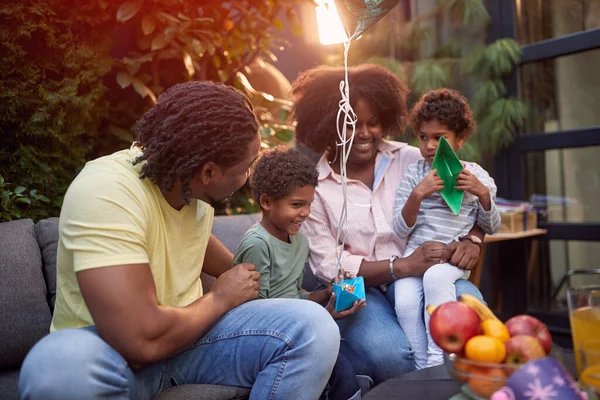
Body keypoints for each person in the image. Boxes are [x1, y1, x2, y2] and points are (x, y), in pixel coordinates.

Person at [18, 82, 340, 400]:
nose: (248, 178)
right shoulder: (107, 192)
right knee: (57, 368)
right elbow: (139, 338)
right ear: (208, 172)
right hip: (109, 353)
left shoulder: (189, 190)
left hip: (192, 341)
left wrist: (280, 287)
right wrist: (220, 299)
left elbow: (191, 245)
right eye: (245, 169)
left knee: (312, 327)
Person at [291, 64, 486, 384]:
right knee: (391, 356)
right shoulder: (316, 186)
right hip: (359, 288)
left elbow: (471, 199)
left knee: (474, 314)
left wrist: (474, 239)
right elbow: (330, 266)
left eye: (373, 122)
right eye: (350, 125)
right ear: (326, 126)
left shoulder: (413, 158)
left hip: (427, 276)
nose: (364, 134)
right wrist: (402, 266)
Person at [233, 146, 370, 400]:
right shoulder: (257, 244)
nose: (305, 213)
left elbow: (292, 293)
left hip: (300, 324)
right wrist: (321, 316)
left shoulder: (300, 241)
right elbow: (256, 310)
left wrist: (326, 295)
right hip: (271, 337)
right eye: (297, 204)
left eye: (308, 204)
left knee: (363, 366)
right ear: (266, 202)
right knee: (346, 378)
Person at [392, 88, 501, 369]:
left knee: (437, 279)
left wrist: (483, 195)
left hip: (452, 259)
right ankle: (420, 363)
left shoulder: (477, 177)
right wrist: (417, 195)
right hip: (416, 256)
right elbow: (399, 229)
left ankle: (439, 359)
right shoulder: (414, 174)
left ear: (460, 139)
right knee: (403, 300)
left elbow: (492, 226)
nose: (430, 145)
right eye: (423, 137)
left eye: (440, 138)